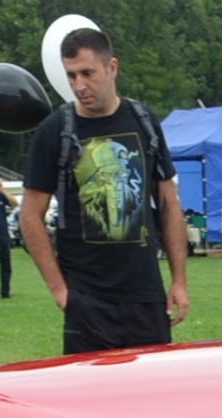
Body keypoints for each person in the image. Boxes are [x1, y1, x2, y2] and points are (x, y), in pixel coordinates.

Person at [19, 25, 190, 355]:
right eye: (71, 76)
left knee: (153, 398)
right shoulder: (55, 131)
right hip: (87, 299)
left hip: (145, 296)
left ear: (112, 68)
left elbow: (168, 204)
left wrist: (179, 281)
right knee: (89, 402)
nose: (79, 86)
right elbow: (30, 216)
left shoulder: (143, 121)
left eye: (87, 73)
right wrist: (59, 290)